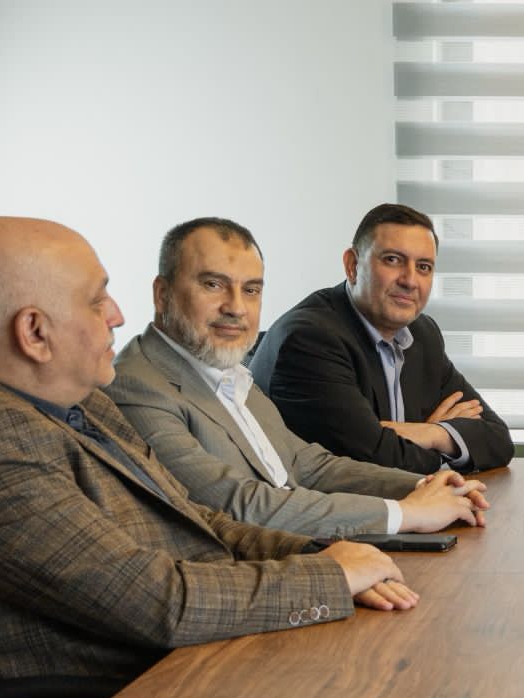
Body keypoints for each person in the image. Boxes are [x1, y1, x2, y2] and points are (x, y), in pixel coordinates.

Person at [0, 217, 418, 698]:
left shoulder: (80, 400)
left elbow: (194, 517)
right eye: (96, 301)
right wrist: (328, 578)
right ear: (34, 332)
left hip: (198, 663)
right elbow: (157, 601)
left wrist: (321, 552)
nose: (117, 315)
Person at [106, 217, 489, 539]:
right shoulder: (137, 387)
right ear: (162, 294)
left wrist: (424, 487)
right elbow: (239, 505)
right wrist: (406, 513)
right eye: (213, 285)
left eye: (251, 290)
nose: (236, 307)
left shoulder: (228, 373)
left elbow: (309, 465)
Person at [250, 203, 513, 474]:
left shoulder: (423, 334)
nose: (410, 280)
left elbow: (498, 439)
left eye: (423, 267)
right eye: (393, 260)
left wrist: (432, 433)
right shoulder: (310, 340)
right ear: (352, 266)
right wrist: (440, 442)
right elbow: (379, 464)